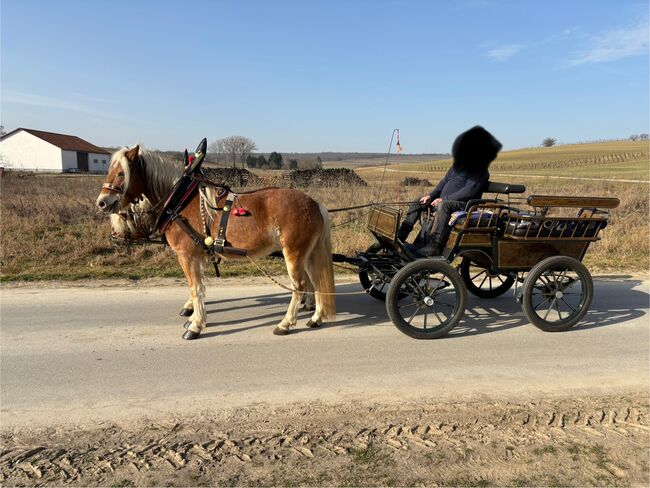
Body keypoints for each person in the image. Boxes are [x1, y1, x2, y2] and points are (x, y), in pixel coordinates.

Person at [397, 125, 502, 256]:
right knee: (419, 200)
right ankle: (401, 235)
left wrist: (444, 199)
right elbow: (443, 183)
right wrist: (430, 196)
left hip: (465, 205)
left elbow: (469, 190)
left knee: (444, 205)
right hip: (446, 202)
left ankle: (435, 245)